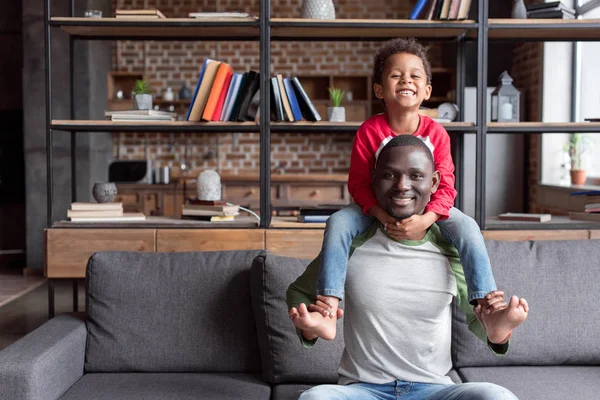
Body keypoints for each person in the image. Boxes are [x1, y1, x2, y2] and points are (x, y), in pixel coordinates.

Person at [287, 135, 529, 400]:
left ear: (434, 182)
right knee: (314, 398)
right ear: (374, 181)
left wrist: (500, 330)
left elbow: (477, 318)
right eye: (389, 175)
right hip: (363, 392)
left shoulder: (451, 249)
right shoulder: (349, 244)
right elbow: (300, 292)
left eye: (415, 176)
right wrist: (309, 326)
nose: (402, 186)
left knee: (497, 396)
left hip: (434, 391)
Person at [315, 37, 497, 328]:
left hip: (428, 210)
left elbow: (447, 187)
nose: (405, 80)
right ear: (379, 90)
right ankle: (327, 308)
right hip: (376, 208)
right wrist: (380, 215)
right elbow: (359, 184)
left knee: (468, 227)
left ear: (426, 91)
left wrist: (426, 220)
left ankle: (487, 305)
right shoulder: (368, 131)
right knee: (337, 223)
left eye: (414, 75)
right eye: (396, 75)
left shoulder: (437, 134)